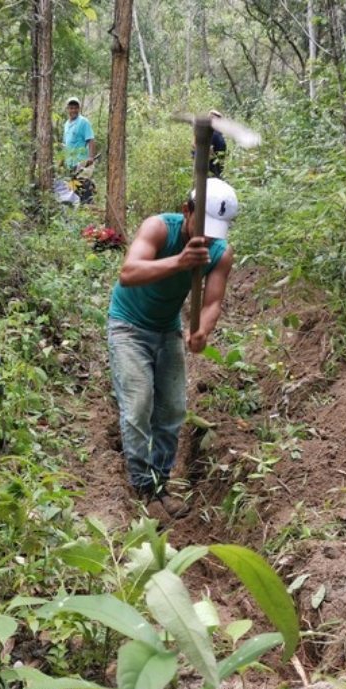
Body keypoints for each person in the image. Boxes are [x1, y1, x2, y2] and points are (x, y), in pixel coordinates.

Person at [107, 178, 239, 518]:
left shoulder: (220, 252)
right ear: (186, 211)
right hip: (128, 326)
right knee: (138, 407)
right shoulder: (159, 229)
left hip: (167, 330)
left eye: (216, 232)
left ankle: (160, 484)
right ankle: (142, 489)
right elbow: (128, 273)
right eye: (204, 227)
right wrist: (179, 262)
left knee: (171, 412)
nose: (209, 238)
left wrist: (202, 330)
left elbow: (212, 302)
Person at [63, 97, 96, 202]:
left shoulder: (84, 122)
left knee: (85, 191)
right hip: (70, 164)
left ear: (79, 109)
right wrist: (61, 162)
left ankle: (89, 211)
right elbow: (66, 144)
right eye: (71, 108)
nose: (73, 110)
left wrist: (90, 157)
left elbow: (90, 139)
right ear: (67, 109)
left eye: (75, 108)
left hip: (82, 163)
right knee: (73, 192)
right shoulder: (67, 124)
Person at [191, 110, 227, 178]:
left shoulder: (213, 136)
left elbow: (207, 152)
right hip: (215, 173)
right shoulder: (218, 136)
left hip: (208, 174)